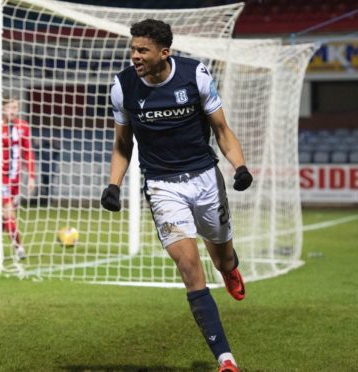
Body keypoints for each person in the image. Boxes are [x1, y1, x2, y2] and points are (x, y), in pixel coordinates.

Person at [100, 19, 253, 372]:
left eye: (143, 50)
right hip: (162, 186)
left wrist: (239, 168)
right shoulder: (123, 87)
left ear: (163, 53)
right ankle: (226, 358)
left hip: (204, 178)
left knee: (223, 259)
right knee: (189, 266)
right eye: (133, 49)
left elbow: (222, 129)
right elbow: (122, 144)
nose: (134, 56)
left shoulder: (194, 75)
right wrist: (113, 185)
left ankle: (230, 269)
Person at [0, 95, 35, 260]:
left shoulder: (23, 127)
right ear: (3, 108)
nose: (13, 111)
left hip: (15, 179)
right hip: (0, 178)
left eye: (16, 107)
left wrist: (31, 175)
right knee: (8, 211)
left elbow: (28, 152)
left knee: (5, 217)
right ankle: (19, 249)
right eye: (10, 107)